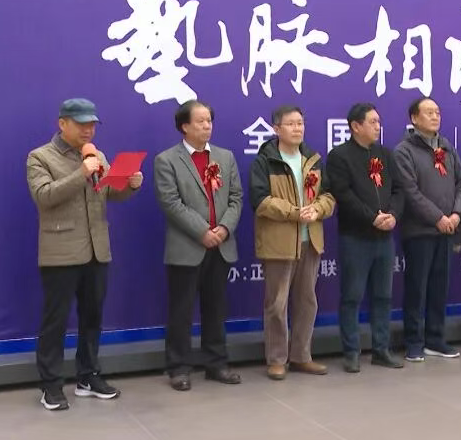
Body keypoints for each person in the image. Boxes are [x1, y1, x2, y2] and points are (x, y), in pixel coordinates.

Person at [26, 98, 142, 411]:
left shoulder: (97, 155)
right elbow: (44, 196)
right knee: (56, 321)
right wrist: (81, 172)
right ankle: (51, 384)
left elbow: (108, 193)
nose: (88, 130)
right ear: (62, 123)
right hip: (61, 252)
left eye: (92, 124)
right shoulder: (40, 157)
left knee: (92, 318)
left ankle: (88, 376)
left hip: (97, 249)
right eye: (81, 124)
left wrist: (130, 184)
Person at [154, 100, 243, 391]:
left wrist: (224, 228)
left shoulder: (225, 157)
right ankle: (179, 367)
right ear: (184, 126)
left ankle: (216, 363)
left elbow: (236, 198)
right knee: (181, 311)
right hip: (187, 247)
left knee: (216, 308)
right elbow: (171, 202)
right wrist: (202, 231)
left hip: (221, 245)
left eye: (209, 121)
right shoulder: (167, 160)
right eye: (200, 121)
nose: (207, 126)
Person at [249, 105, 335, 381]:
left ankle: (301, 356)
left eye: (300, 123)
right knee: (277, 304)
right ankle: (276, 359)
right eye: (291, 124)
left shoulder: (312, 159)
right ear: (276, 129)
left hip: (311, 241)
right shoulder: (266, 161)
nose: (298, 128)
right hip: (279, 243)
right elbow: (260, 200)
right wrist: (294, 212)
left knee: (307, 301)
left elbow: (328, 195)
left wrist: (317, 209)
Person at [327, 103, 405, 372]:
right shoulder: (340, 156)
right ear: (355, 126)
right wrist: (372, 217)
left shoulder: (385, 154)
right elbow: (343, 194)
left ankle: (381, 349)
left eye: (378, 122)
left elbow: (399, 190)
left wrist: (393, 215)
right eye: (372, 122)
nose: (377, 126)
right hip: (355, 237)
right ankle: (351, 351)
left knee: (383, 296)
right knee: (352, 296)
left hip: (385, 238)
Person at [393, 97, 461, 362]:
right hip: (420, 231)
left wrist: (457, 214)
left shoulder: (447, 147)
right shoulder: (404, 151)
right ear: (414, 118)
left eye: (437, 112)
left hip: (447, 230)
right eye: (428, 113)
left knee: (439, 288)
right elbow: (410, 191)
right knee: (417, 288)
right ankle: (414, 341)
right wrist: (438, 218)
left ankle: (436, 339)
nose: (435, 117)